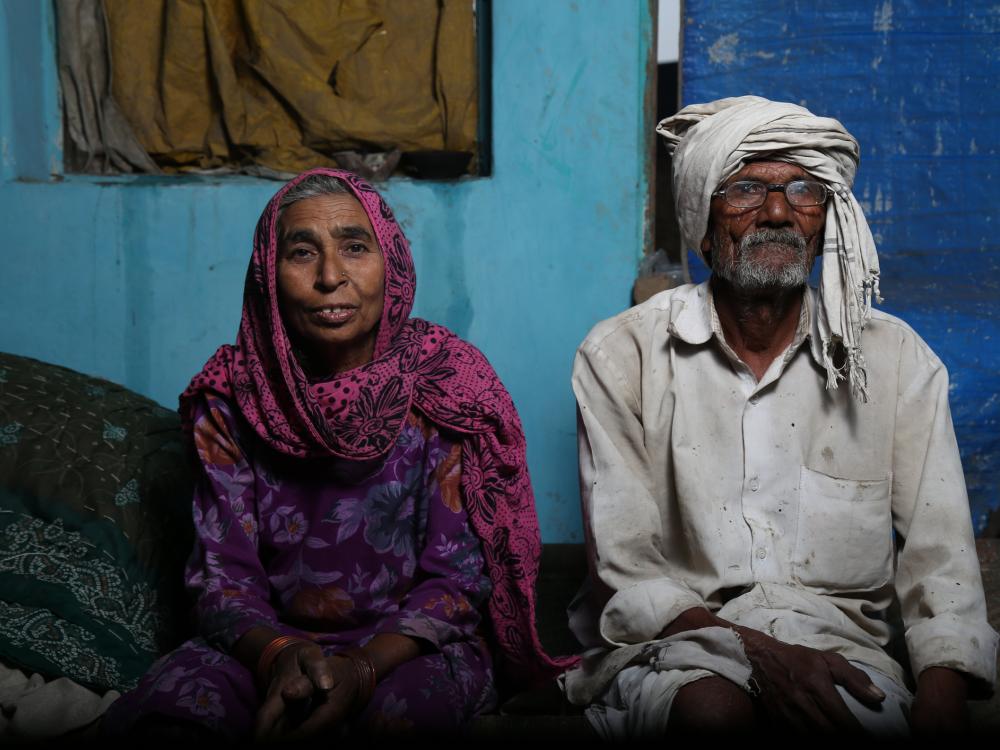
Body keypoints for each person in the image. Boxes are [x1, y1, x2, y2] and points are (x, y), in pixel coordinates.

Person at [562, 96, 997, 737]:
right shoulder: (622, 355)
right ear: (704, 224)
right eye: (744, 189)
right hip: (681, 649)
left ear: (826, 222)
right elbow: (627, 575)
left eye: (802, 191)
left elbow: (942, 568)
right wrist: (763, 658)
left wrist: (941, 703)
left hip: (846, 652)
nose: (775, 212)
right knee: (714, 714)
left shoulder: (895, 358)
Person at [102, 168, 574, 740]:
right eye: (302, 253)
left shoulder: (444, 387)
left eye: (355, 247)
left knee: (399, 719)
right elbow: (223, 580)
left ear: (392, 263)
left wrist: (365, 667)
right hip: (262, 644)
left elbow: (455, 581)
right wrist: (279, 655)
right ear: (267, 277)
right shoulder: (230, 397)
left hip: (411, 649)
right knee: (174, 719)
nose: (331, 277)